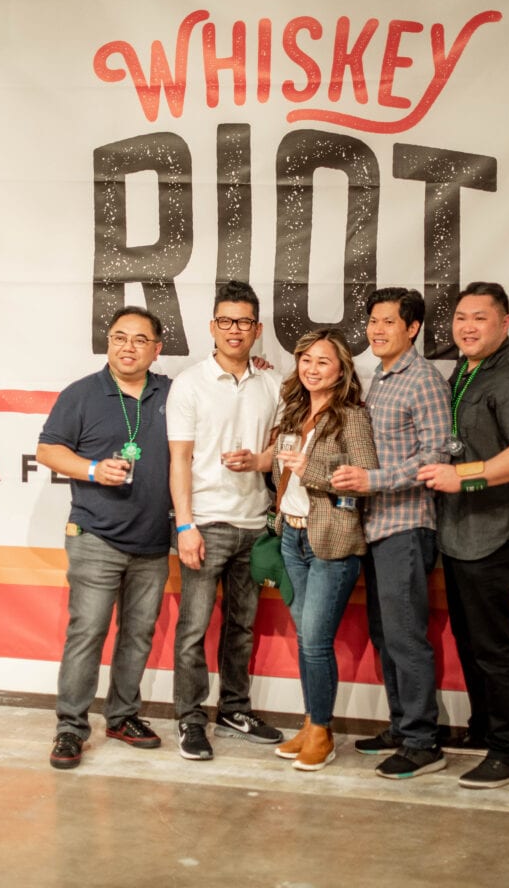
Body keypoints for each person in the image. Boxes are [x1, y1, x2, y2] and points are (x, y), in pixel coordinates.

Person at [418, 281, 509, 789]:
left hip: (496, 534)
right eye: (460, 319)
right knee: (472, 640)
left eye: (480, 318)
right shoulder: (466, 370)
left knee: (494, 646)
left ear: (504, 324)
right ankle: (483, 730)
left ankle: (508, 749)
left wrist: (464, 475)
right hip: (460, 532)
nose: (467, 327)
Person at [37, 306, 171, 770]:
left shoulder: (174, 394)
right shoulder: (82, 393)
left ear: (157, 348)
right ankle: (70, 729)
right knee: (88, 634)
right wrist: (93, 469)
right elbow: (48, 449)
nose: (127, 347)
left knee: (137, 636)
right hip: (95, 536)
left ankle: (122, 716)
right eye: (118, 337)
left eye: (138, 339)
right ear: (108, 343)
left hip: (154, 542)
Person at [330, 287, 451, 779]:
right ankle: (402, 727)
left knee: (405, 637)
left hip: (406, 525)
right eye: (372, 322)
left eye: (388, 322)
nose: (376, 331)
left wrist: (371, 481)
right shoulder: (376, 376)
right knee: (385, 633)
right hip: (375, 527)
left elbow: (435, 458)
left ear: (413, 328)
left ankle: (424, 741)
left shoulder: (422, 380)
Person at [166, 280, 283, 760]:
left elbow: (284, 450)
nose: (235, 330)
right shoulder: (189, 384)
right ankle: (190, 719)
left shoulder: (273, 384)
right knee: (193, 629)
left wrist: (261, 460)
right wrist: (185, 525)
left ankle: (235, 709)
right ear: (212, 327)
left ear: (257, 330)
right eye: (226, 321)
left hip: (254, 526)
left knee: (242, 628)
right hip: (206, 524)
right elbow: (179, 461)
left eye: (244, 322)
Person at [271, 328, 378, 772]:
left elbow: (366, 474)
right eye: (306, 360)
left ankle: (323, 732)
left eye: (323, 362)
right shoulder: (295, 410)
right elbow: (281, 465)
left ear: (340, 372)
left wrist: (309, 467)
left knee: (315, 642)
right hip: (292, 537)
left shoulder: (350, 415)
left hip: (332, 542)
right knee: (306, 641)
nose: (312, 369)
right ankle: (311, 722)